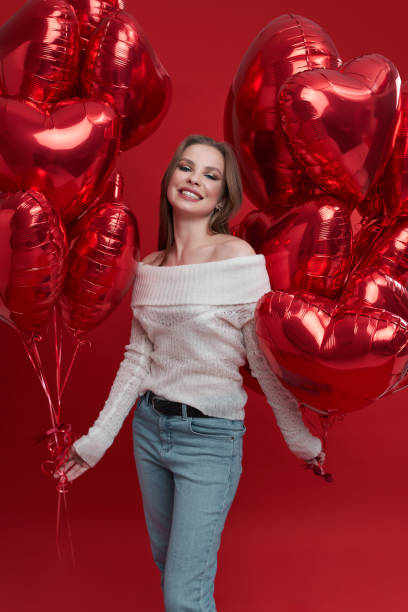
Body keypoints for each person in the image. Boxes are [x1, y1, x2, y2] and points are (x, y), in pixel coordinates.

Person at [61, 134, 323, 611]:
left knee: (185, 593)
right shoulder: (148, 269)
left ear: (223, 197)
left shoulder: (237, 259)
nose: (194, 180)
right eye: (186, 167)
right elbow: (137, 360)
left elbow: (262, 364)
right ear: (170, 178)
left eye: (210, 175)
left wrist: (299, 438)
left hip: (210, 438)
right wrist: (96, 442)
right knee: (176, 578)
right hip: (149, 429)